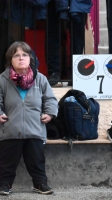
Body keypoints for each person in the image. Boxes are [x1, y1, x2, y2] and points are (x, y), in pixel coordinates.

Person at [0, 41, 58, 195]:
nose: (21, 58)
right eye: (16, 55)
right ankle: (4, 185)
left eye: (24, 55)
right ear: (10, 60)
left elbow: (50, 99)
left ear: (30, 58)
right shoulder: (2, 80)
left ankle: (40, 184)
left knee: (37, 161)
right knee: (7, 162)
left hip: (35, 129)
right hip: (10, 129)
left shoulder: (41, 79)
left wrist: (50, 113)